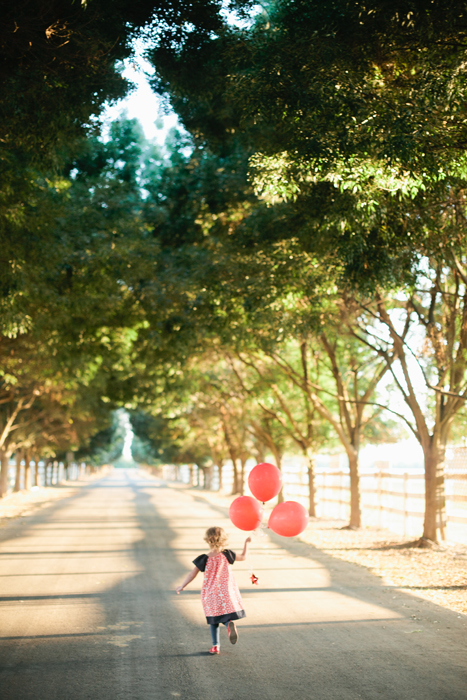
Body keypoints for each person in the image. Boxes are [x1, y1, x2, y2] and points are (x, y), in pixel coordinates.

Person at [176, 526, 251, 654]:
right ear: (224, 539)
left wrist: (182, 585)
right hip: (226, 591)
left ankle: (216, 646)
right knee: (225, 615)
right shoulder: (227, 554)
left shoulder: (204, 558)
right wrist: (246, 543)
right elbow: (243, 557)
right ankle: (228, 624)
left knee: (213, 619)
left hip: (210, 593)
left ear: (207, 540)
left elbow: (192, 574)